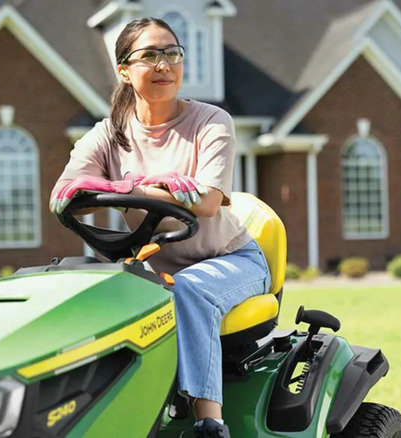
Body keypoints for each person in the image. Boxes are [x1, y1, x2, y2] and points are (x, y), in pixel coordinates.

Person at [49, 17, 270, 438]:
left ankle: (209, 421)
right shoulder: (108, 135)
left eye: (172, 53)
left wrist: (128, 187)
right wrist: (132, 186)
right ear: (124, 70)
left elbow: (205, 202)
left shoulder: (211, 122)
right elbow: (64, 194)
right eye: (150, 55)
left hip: (229, 261)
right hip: (152, 267)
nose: (164, 64)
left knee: (188, 289)